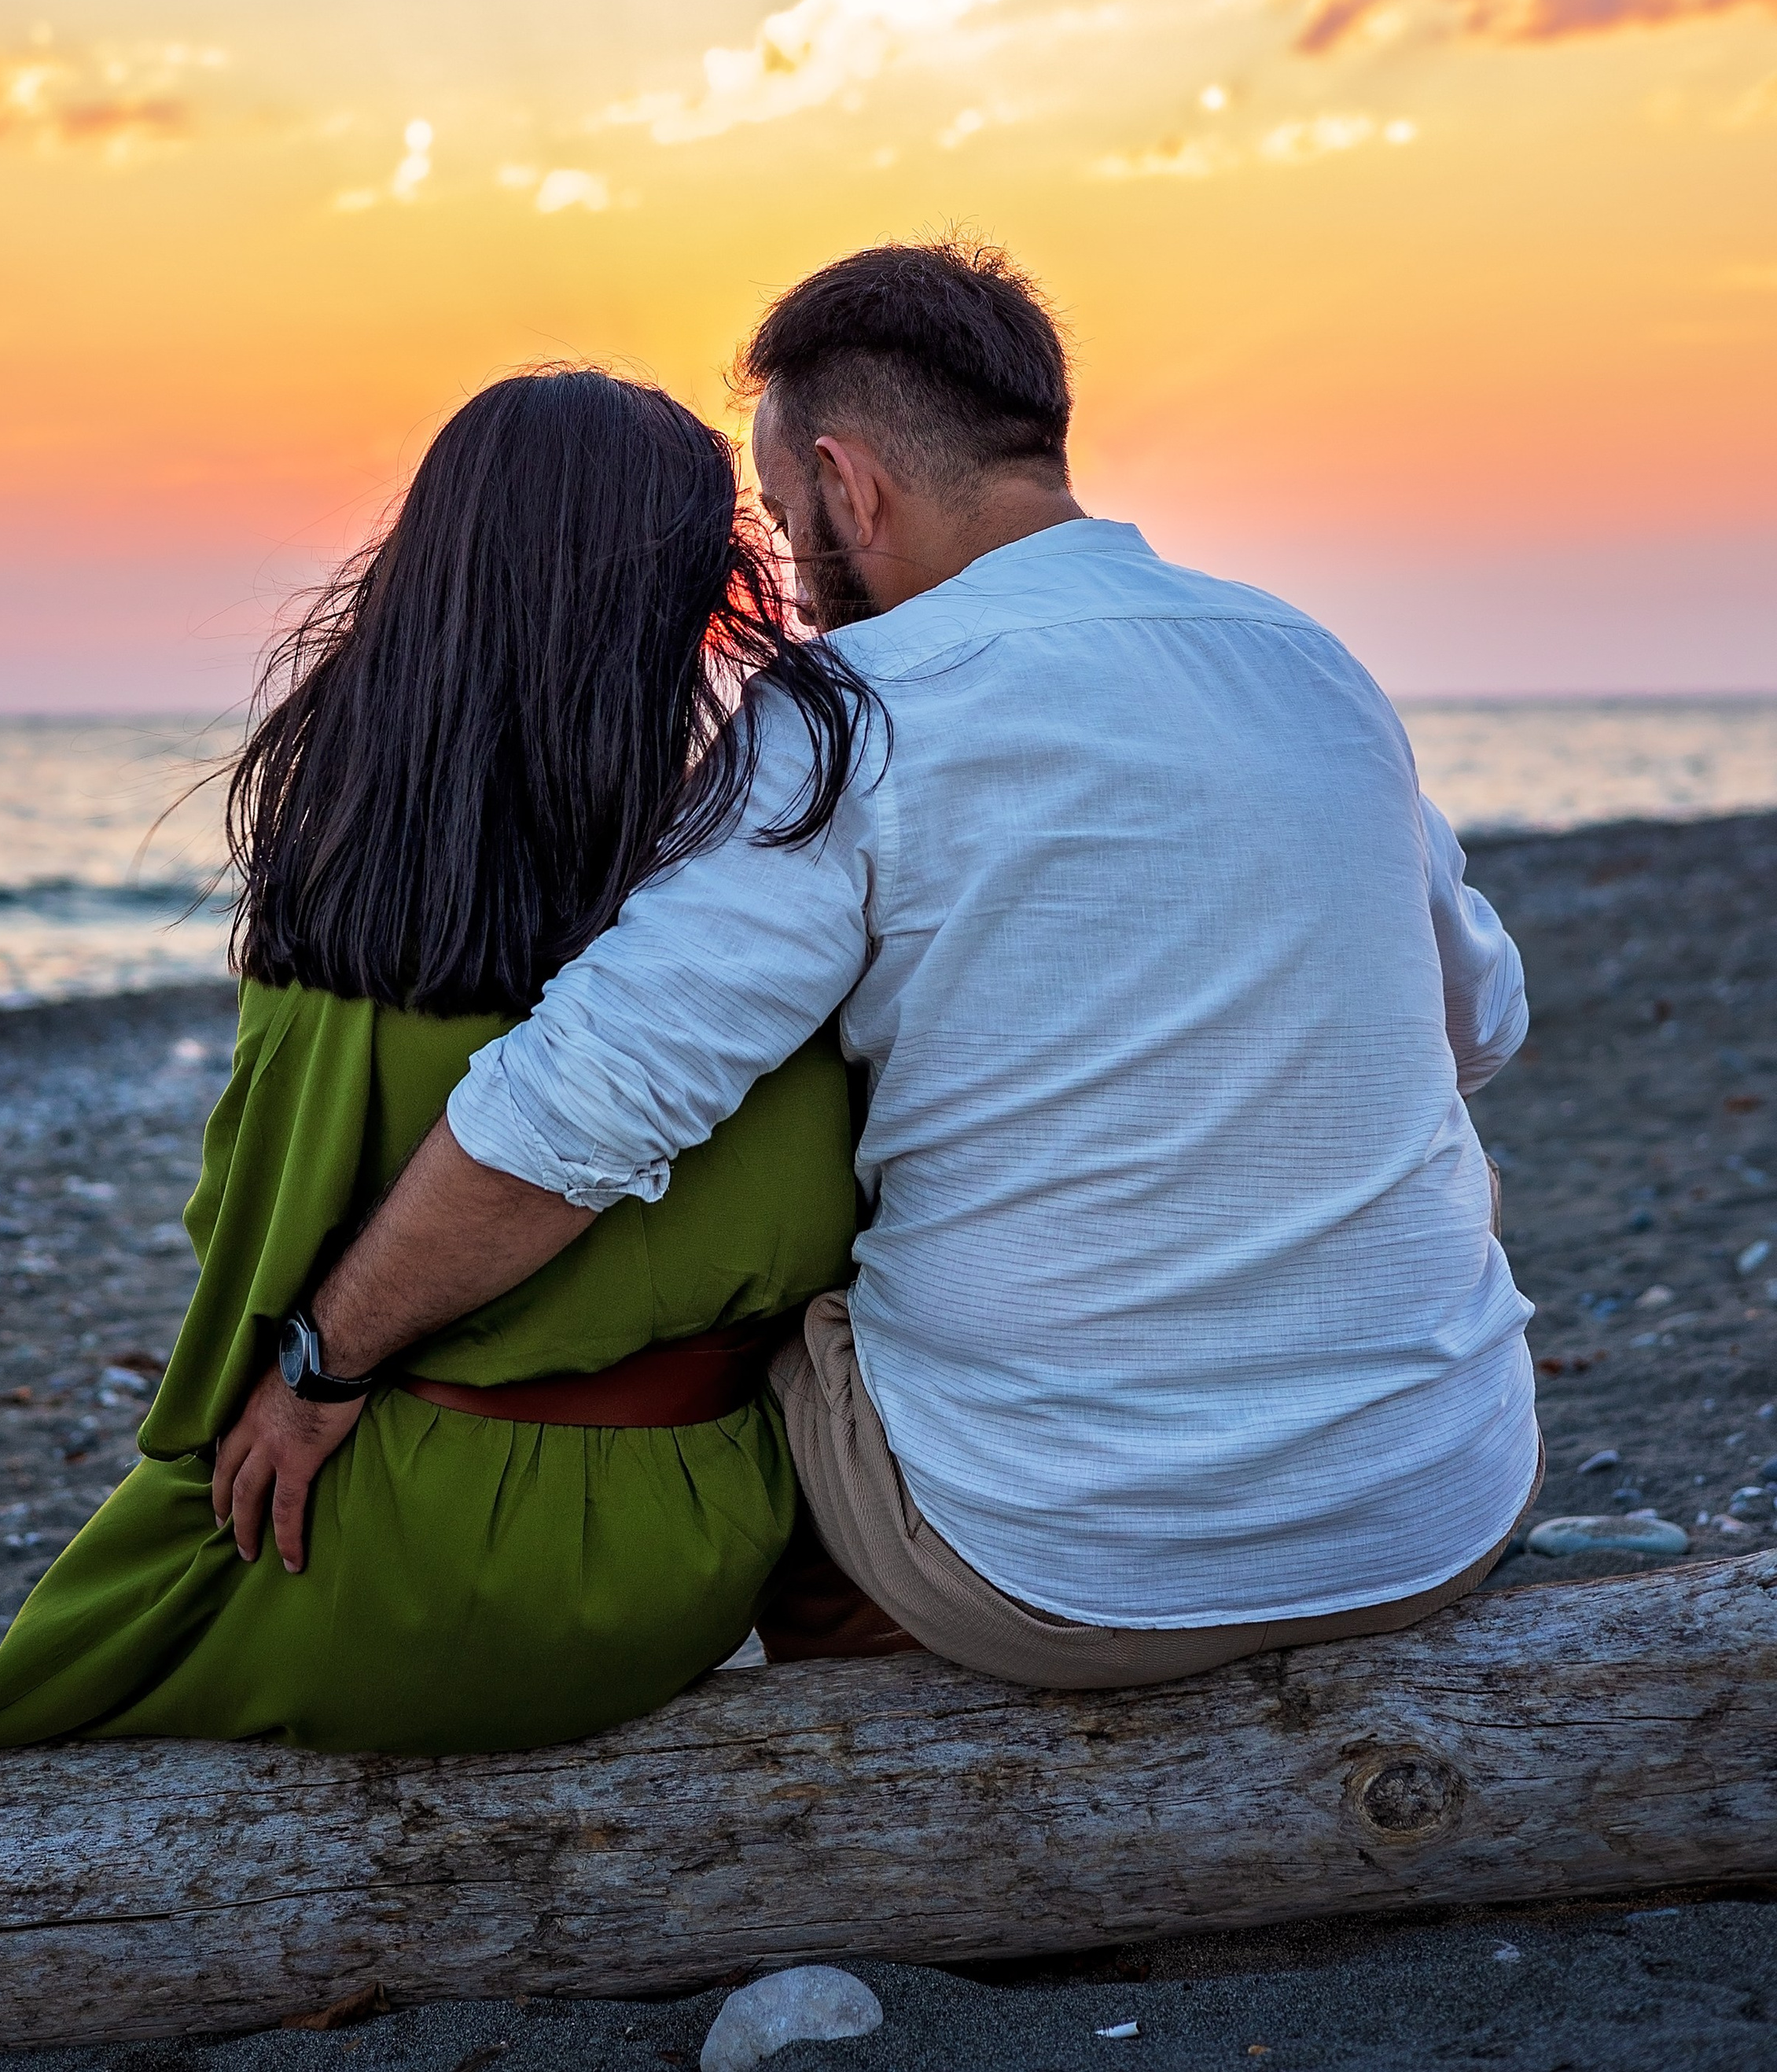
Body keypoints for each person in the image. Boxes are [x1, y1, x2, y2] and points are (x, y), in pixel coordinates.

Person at [220, 238, 1540, 1694]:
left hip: (1064, 1577)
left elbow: (583, 1103)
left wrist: (320, 1361)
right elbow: (1477, 1019)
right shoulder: (1307, 662)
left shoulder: (856, 710)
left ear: (851, 486)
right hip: (1438, 1511)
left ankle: (874, 1705)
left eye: (787, 526)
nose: (791, 582)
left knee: (785, 1281)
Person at [0, 372, 866, 1755]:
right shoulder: (764, 932)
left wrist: (296, 1382)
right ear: (690, 605)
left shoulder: (364, 938)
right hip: (699, 1548)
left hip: (412, 1557)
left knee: (32, 1704)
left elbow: (247, 1257)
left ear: (432, 584)